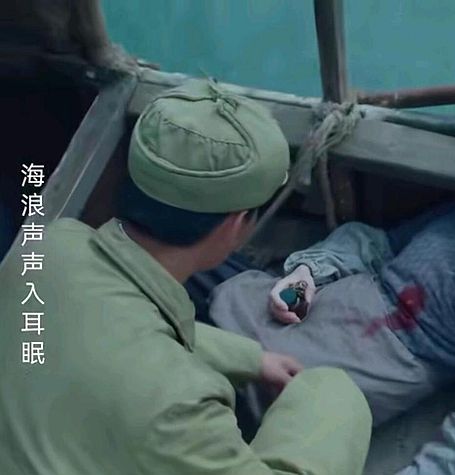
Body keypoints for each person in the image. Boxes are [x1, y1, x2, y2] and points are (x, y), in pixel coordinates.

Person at [0, 79, 371, 475]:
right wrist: (334, 392)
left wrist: (251, 359)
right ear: (235, 226)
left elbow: (115, 326)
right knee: (331, 395)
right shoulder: (180, 405)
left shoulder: (49, 248)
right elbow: (141, 355)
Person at [209, 117, 455, 474]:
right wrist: (306, 276)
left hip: (378, 361)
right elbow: (379, 245)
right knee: (222, 301)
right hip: (343, 304)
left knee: (260, 384)